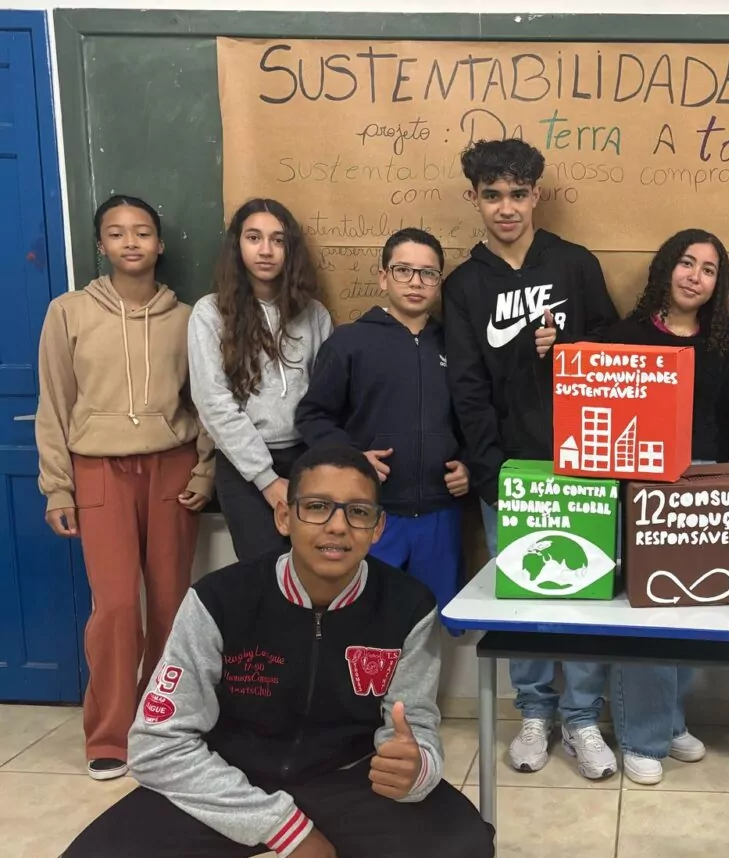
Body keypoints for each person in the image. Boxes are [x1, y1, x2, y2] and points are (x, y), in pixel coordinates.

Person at [46, 443, 496, 858]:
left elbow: (417, 726)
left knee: (463, 855)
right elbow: (156, 744)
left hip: (344, 782)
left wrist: (418, 766)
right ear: (285, 516)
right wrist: (283, 826)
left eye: (359, 512)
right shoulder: (219, 600)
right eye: (318, 507)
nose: (338, 526)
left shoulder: (408, 606)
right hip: (230, 782)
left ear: (377, 527)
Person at [444, 138, 619, 780]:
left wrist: (572, 345)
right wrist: (488, 469)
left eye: (518, 194)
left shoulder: (574, 265)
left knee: (587, 594)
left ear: (536, 195)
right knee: (525, 597)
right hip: (507, 469)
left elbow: (614, 350)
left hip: (585, 462)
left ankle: (581, 719)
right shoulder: (463, 285)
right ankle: (535, 714)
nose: (506, 207)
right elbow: (464, 384)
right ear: (475, 199)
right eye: (492, 195)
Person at [35, 194, 214, 782]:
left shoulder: (187, 318)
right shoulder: (68, 313)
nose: (131, 243)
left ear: (160, 244)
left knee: (169, 604)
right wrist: (57, 487)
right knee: (114, 607)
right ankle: (110, 733)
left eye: (142, 233)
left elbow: (207, 402)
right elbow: (55, 403)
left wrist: (205, 468)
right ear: (101, 245)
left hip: (172, 467)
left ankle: (157, 723)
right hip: (98, 470)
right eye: (117, 234)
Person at [604, 229, 729, 785]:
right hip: (637, 493)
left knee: (688, 615)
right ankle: (641, 734)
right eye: (686, 263)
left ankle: (672, 717)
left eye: (708, 270)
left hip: (697, 494)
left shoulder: (720, 348)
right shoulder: (623, 337)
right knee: (648, 618)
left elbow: (723, 424)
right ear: (665, 267)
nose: (694, 277)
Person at [296, 228, 469, 610]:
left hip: (440, 516)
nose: (415, 282)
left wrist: (469, 466)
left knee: (429, 620)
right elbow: (312, 415)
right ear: (382, 277)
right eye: (403, 270)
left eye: (428, 273)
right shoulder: (349, 342)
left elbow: (474, 415)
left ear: (439, 283)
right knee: (363, 616)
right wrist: (354, 457)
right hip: (373, 515)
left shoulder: (456, 344)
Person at [189, 198, 333, 562]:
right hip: (244, 467)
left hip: (307, 458)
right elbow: (214, 404)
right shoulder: (210, 313)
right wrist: (267, 481)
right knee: (264, 574)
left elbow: (328, 396)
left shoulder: (314, 314)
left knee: (314, 569)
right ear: (237, 246)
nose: (266, 250)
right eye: (254, 238)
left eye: (278, 240)